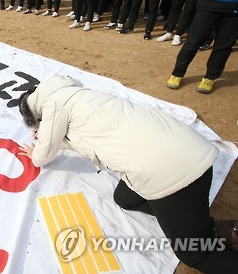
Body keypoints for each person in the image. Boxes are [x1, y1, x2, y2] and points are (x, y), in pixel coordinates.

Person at [18, 76, 238, 274]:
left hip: (174, 172)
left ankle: (204, 230)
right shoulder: (74, 95)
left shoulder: (52, 107)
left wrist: (36, 150)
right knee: (125, 198)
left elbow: (41, 156)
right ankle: (201, 225)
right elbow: (83, 140)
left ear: (35, 115)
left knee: (196, 254)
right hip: (190, 147)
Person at [166, 0, 238, 94]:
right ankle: (177, 73)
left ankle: (210, 77)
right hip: (212, 1)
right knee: (194, 41)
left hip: (235, 9)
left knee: (223, 46)